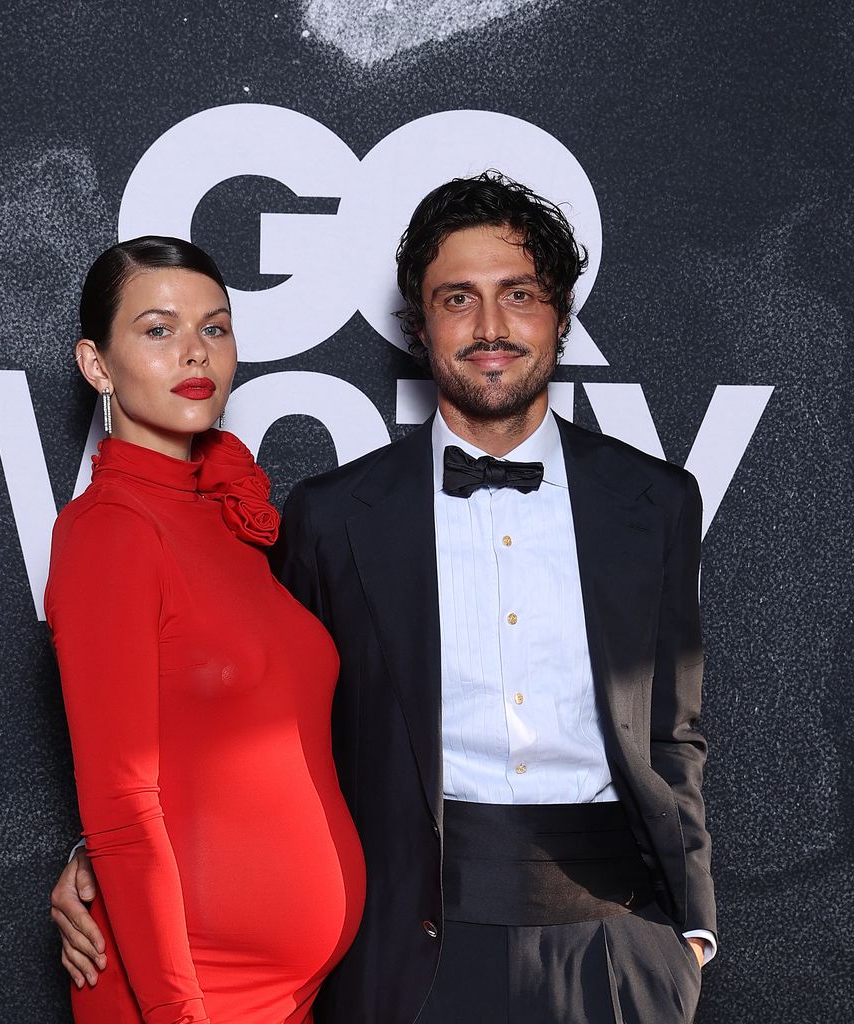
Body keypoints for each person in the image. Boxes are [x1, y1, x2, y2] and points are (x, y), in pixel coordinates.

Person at [52, 176, 716, 1023]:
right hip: (407, 945)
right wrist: (98, 856)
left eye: (519, 295)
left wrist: (690, 932)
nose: (490, 328)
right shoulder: (332, 517)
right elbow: (253, 731)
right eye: (456, 300)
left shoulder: (655, 501)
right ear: (419, 326)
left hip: (619, 939)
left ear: (559, 317)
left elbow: (672, 729)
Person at [45, 235, 365, 1024]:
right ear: (97, 365)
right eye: (157, 330)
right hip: (192, 994)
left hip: (287, 995)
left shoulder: (227, 517)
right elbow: (121, 799)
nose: (195, 350)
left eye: (214, 328)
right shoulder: (109, 530)